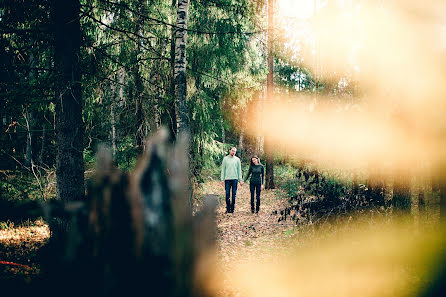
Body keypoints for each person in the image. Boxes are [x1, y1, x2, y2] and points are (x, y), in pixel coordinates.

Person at [221, 147, 243, 213]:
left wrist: (240, 180)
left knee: (234, 194)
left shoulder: (237, 160)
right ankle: (228, 208)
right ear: (229, 150)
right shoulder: (225, 159)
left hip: (235, 179)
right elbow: (223, 170)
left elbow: (239, 170)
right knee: (227, 194)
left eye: (235, 151)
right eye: (232, 151)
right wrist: (222, 179)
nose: (233, 152)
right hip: (227, 179)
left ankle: (232, 209)